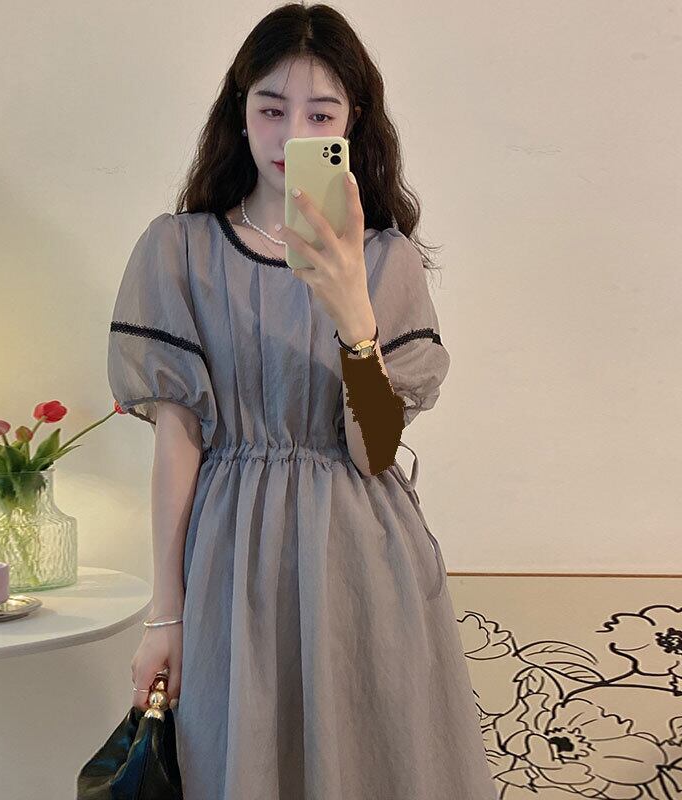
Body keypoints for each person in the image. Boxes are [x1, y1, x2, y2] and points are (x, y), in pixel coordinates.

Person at [107, 3, 497, 798]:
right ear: (239, 112)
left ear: (352, 123)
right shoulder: (178, 250)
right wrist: (164, 614)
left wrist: (353, 307)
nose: (291, 134)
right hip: (231, 566)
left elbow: (374, 450)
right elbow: (177, 441)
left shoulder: (388, 261)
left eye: (320, 114)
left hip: (362, 566)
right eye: (271, 108)